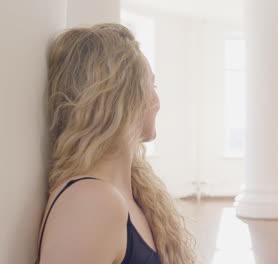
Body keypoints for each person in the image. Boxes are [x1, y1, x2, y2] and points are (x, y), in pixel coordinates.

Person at [36, 24, 195, 263]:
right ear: (122, 100)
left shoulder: (128, 191)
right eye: (150, 86)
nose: (156, 101)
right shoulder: (89, 202)